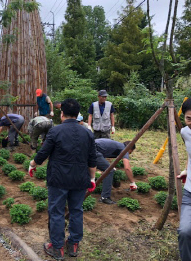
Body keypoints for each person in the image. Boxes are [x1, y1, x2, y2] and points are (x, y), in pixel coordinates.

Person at [28, 98, 97, 259]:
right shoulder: (87, 133)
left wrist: (32, 164)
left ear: (62, 113)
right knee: (76, 211)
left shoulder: (55, 131)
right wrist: (92, 179)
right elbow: (92, 159)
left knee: (57, 212)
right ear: (78, 114)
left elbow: (43, 153)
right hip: (80, 179)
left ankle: (57, 247)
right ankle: (73, 244)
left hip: (58, 179)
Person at [95, 138, 137, 204]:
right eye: (130, 153)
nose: (128, 155)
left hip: (85, 147)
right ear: (130, 149)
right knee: (109, 171)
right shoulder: (124, 149)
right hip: (93, 150)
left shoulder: (117, 145)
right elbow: (127, 168)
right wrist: (132, 182)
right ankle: (105, 197)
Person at [177, 98, 191, 261]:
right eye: (189, 118)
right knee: (185, 232)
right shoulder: (185, 132)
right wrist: (186, 170)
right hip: (189, 191)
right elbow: (189, 153)